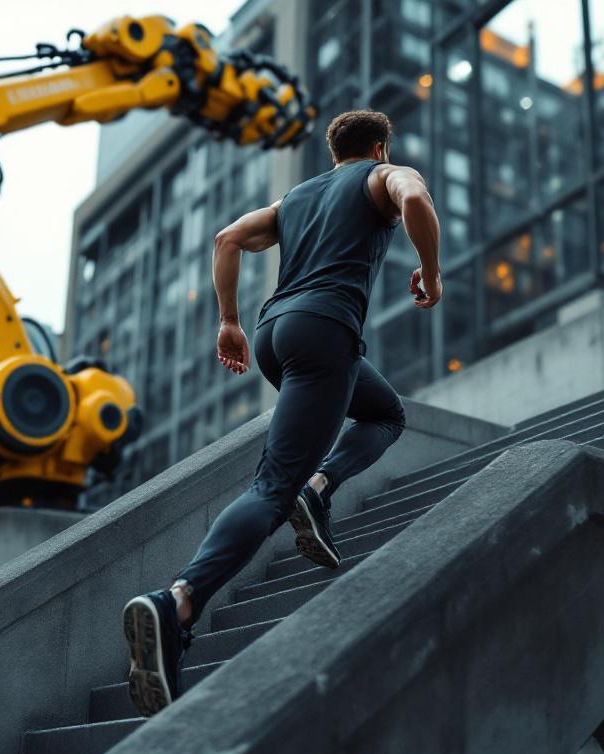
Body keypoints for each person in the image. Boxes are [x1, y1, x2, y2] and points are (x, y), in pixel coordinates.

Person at [122, 109, 442, 716]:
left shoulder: (297, 197)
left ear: (334, 155)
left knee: (384, 411)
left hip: (273, 333)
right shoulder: (384, 176)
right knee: (272, 486)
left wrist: (228, 321)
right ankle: (179, 602)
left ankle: (318, 489)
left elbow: (227, 239)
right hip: (325, 329)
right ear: (378, 149)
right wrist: (430, 271)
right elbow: (417, 200)